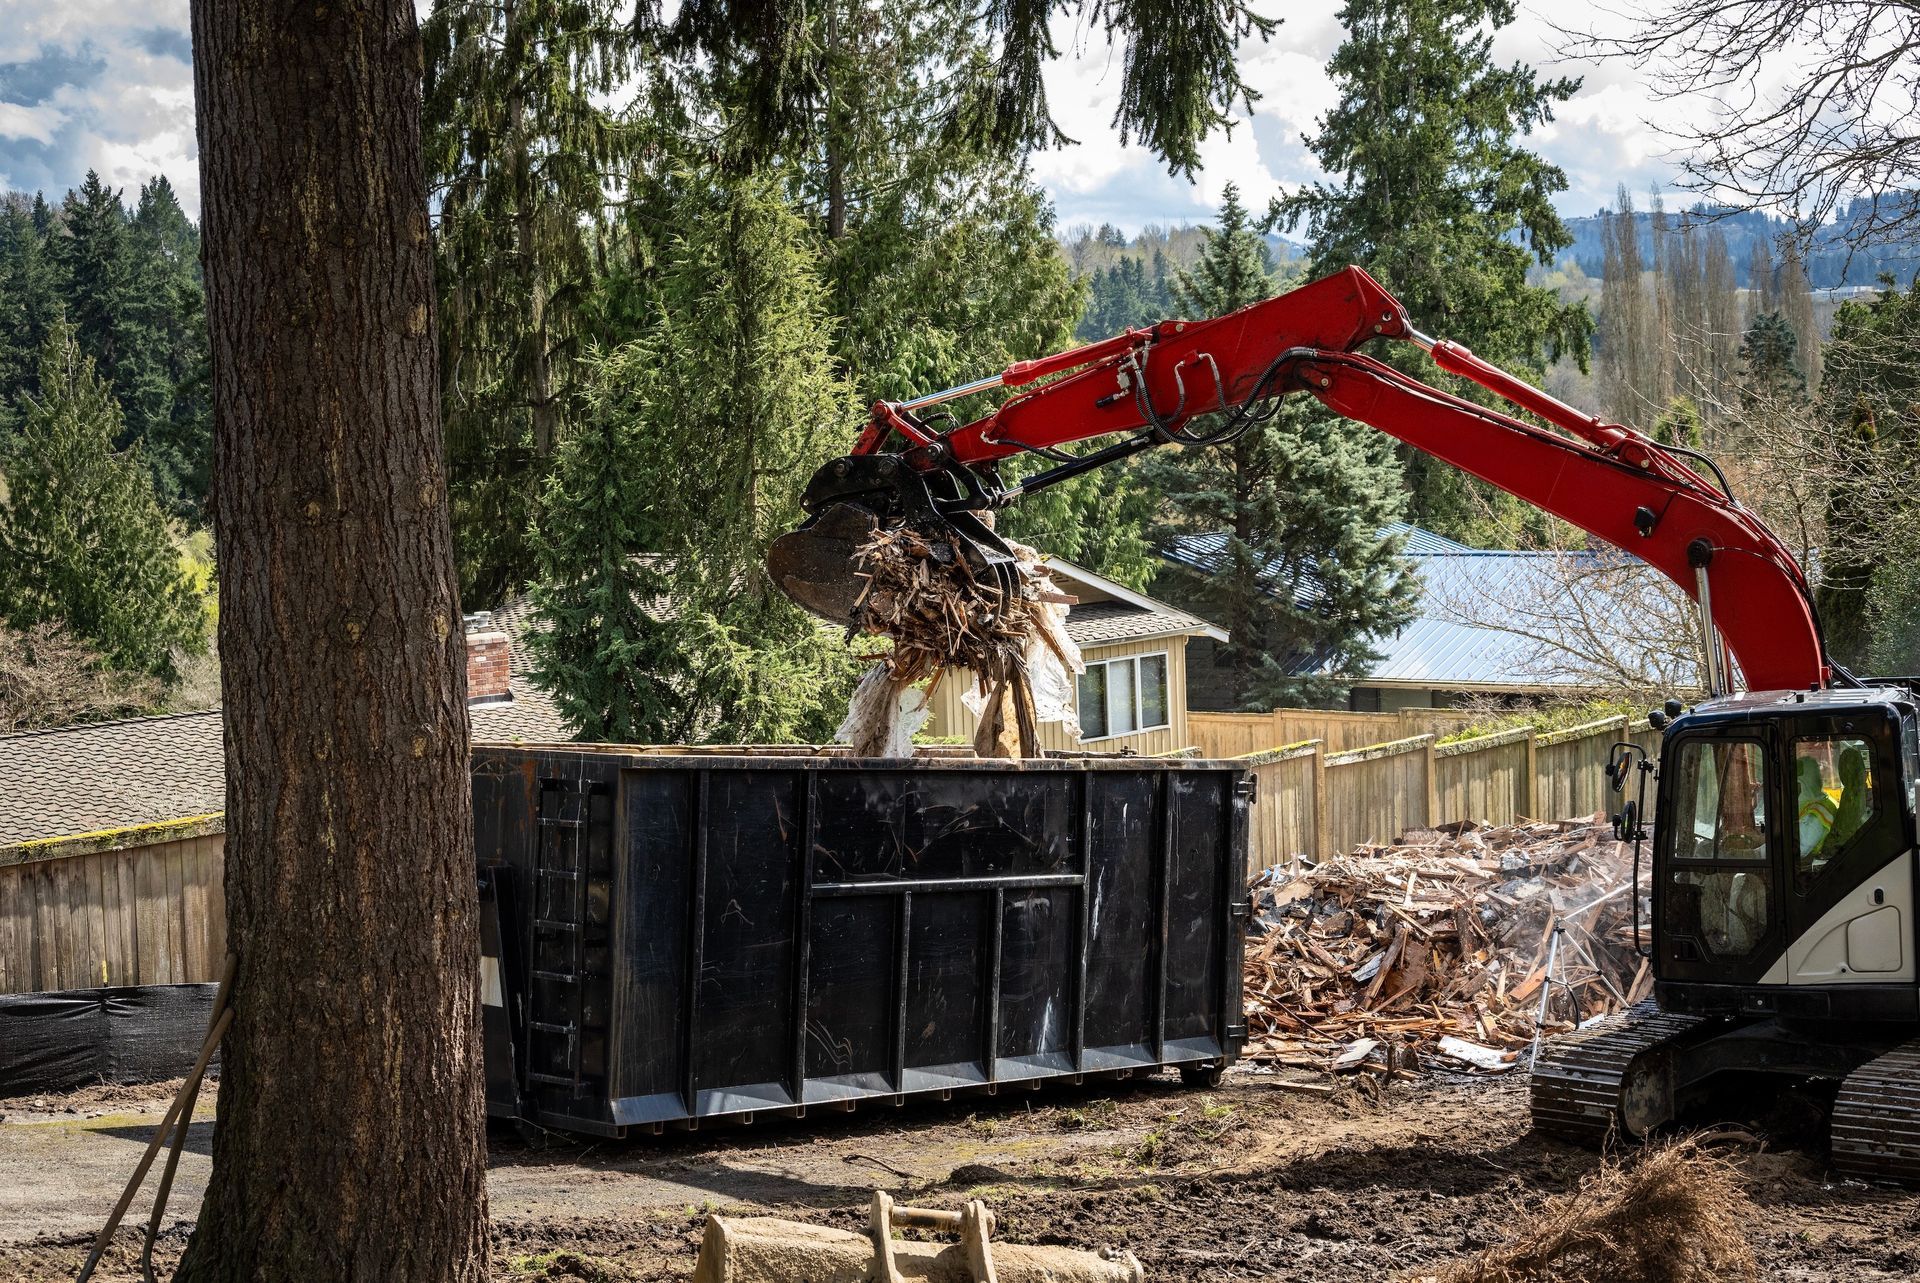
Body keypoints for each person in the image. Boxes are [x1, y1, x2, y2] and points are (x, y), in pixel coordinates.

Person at [1797, 754, 1837, 866]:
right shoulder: (1807, 804)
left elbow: (1801, 848)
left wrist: (1759, 853)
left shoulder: (1820, 809)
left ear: (1806, 784)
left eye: (1796, 783)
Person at [1830, 746, 1872, 849]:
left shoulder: (1854, 796)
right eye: (1844, 771)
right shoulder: (1848, 795)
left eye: (1850, 772)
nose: (1847, 775)